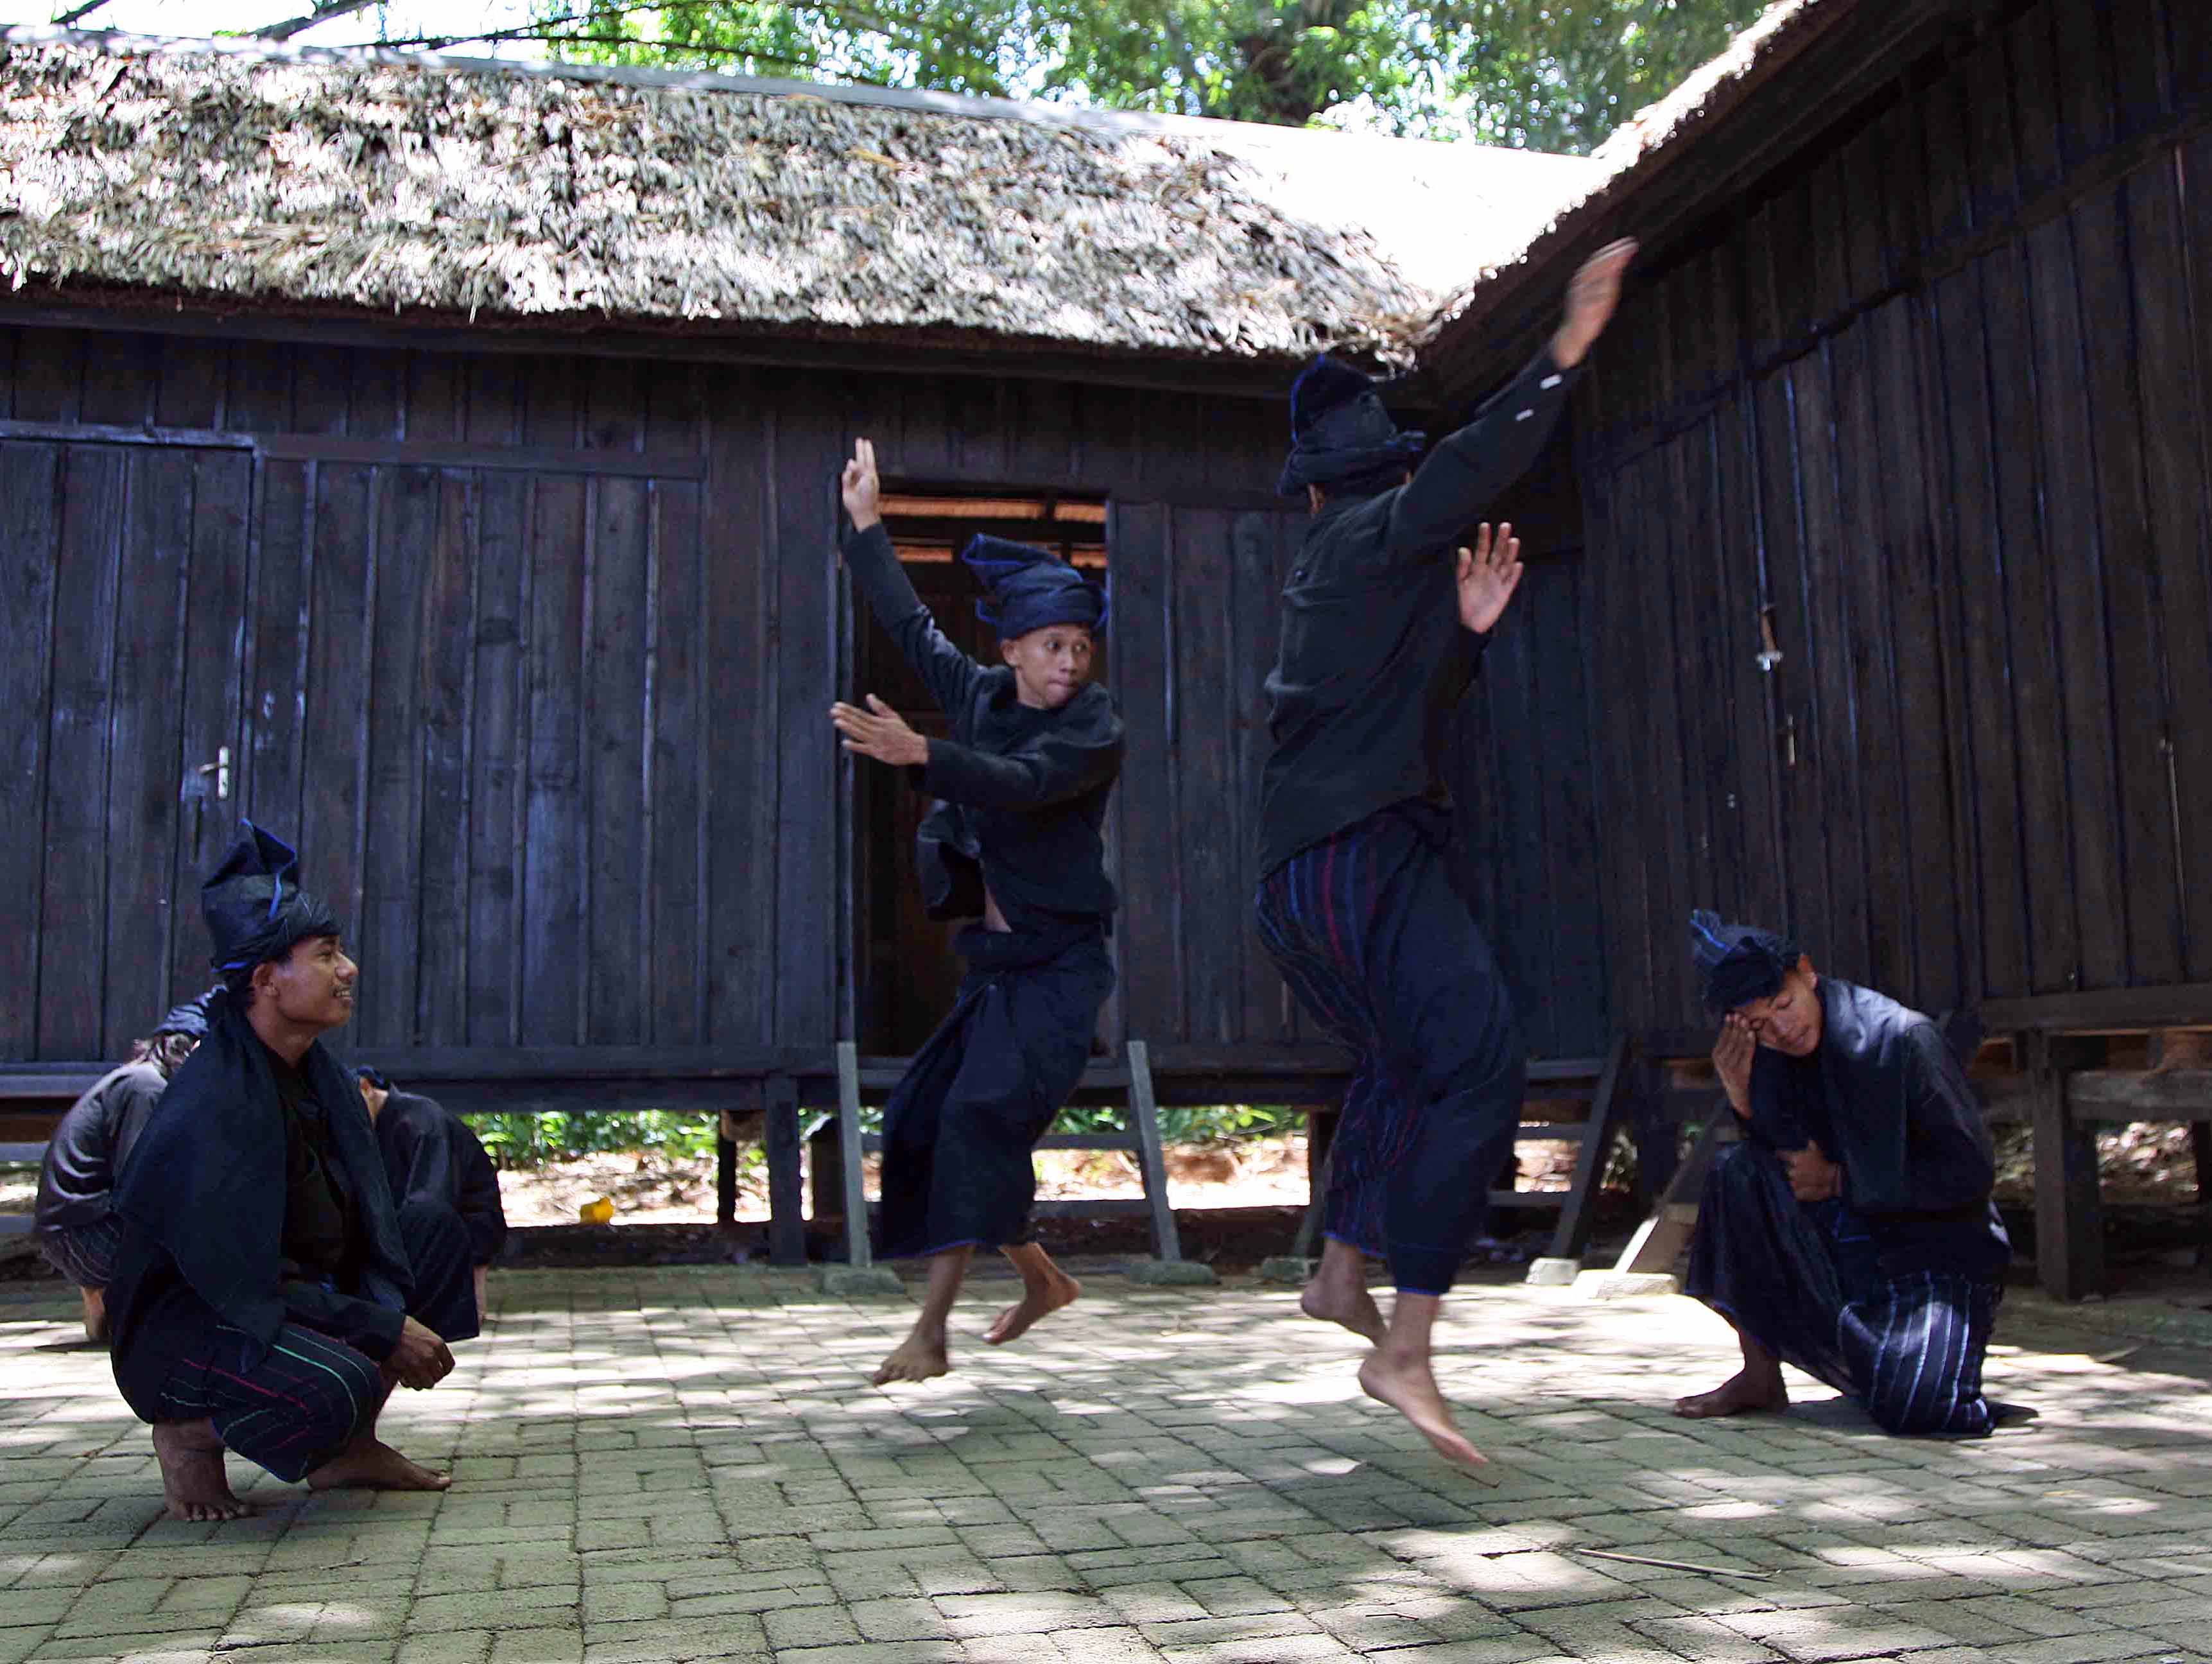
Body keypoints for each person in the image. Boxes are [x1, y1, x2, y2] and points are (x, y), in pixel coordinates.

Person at [1252, 238, 1636, 1471]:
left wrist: (1466, 637)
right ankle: (1405, 1343)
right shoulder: (1369, 537)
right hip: (1362, 857)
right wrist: (1561, 351)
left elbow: (1397, 717)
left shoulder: (1341, 577)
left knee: (1403, 1060)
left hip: (1303, 878)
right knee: (1478, 1059)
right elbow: (1474, 464)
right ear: (1365, 488)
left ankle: (1340, 1273)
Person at [832, 438, 1122, 1388]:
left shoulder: (1092, 728)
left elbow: (1023, 782)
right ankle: (1042, 1280)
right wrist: (868, 525)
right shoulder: (984, 695)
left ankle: (931, 1331)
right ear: (1011, 650)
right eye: (1052, 646)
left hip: (1061, 969)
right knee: (922, 1115)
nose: (1069, 663)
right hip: (997, 969)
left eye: (1080, 647)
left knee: (977, 1119)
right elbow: (912, 628)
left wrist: (923, 755)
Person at [105, 824, 462, 1522]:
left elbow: (363, 1220)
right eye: (326, 955)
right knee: (335, 1382)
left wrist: (382, 1313)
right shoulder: (216, 1102)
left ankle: (348, 1449)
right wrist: (379, 1326)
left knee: (433, 1235)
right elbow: (242, 1280)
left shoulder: (316, 1075)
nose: (348, 969)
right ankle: (190, 1435)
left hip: (283, 1295)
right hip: (189, 1333)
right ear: (266, 980)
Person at [1674, 910, 2012, 1437]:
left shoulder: (1903, 1038)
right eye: (1759, 1024)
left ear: (1807, 973)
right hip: (1844, 1245)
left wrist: (1839, 1181)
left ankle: (1911, 1369)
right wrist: (1742, 1095)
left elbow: (1968, 1175)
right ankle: (1759, 1374)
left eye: (1783, 1005)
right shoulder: (1770, 1051)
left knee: (1920, 1408)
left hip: (1934, 1254)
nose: (1782, 1029)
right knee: (1737, 1171)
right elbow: (1780, 1162)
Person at [33, 992, 214, 1341]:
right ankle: (119, 1303)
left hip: (80, 1230)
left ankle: (111, 1300)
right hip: (83, 1237)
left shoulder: (142, 1081)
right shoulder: (146, 1087)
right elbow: (141, 1181)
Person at [357, 1067, 507, 1334]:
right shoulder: (378, 1124)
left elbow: (432, 1199)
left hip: (463, 1221)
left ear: (366, 1088)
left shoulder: (421, 1119)